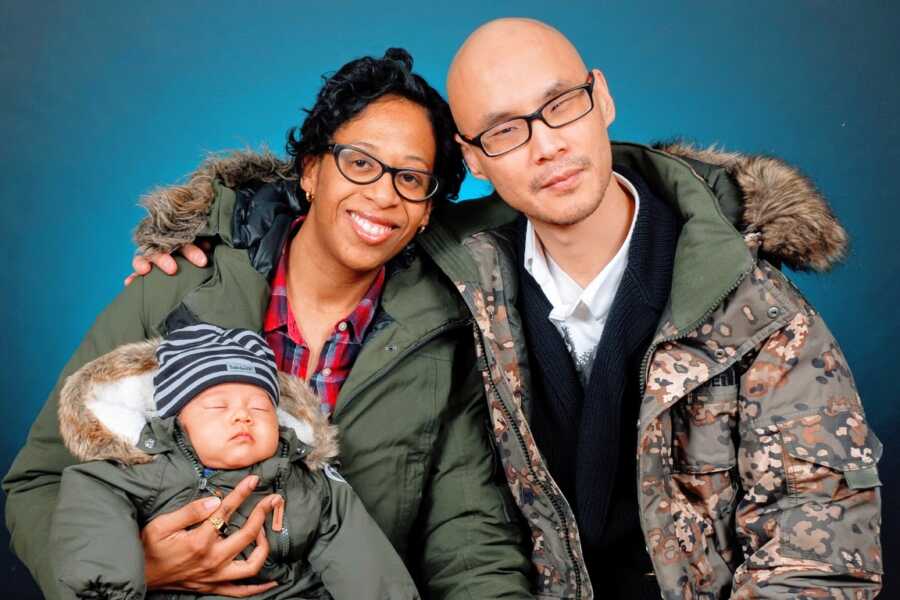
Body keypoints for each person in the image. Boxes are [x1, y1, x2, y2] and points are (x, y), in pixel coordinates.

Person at [118, 18, 884, 600]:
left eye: (561, 106)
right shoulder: (451, 271)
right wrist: (203, 228)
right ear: (474, 159)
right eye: (506, 131)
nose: (546, 146)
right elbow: (338, 207)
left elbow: (820, 560)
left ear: (602, 96)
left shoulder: (761, 320)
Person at [3, 49, 533, 600]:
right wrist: (139, 568)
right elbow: (37, 483)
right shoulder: (179, 287)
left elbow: (469, 536)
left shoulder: (443, 337)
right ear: (310, 171)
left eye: (411, 177)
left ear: (427, 210)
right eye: (359, 162)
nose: (382, 194)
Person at [51, 323, 420, 600]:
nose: (243, 417)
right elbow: (91, 497)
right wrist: (110, 585)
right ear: (179, 420)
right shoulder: (150, 469)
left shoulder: (309, 484)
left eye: (259, 407)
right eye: (218, 406)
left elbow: (365, 563)